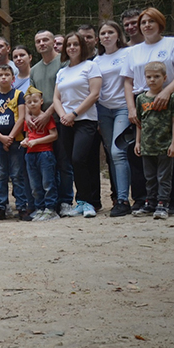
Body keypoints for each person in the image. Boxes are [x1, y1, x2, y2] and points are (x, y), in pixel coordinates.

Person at [121, 7, 174, 215]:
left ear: (160, 23)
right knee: (140, 153)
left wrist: (168, 91)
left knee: (169, 153)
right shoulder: (132, 51)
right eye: (143, 22)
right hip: (142, 101)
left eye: (151, 21)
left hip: (167, 99)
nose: (146, 25)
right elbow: (127, 81)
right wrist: (131, 108)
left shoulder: (173, 43)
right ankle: (146, 200)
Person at [54, 31, 103, 217]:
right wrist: (63, 116)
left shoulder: (90, 67)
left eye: (75, 44)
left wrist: (74, 113)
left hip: (85, 120)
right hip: (66, 122)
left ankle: (89, 202)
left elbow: (94, 94)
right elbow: (56, 98)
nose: (72, 48)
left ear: (82, 47)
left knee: (79, 158)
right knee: (73, 163)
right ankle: (81, 202)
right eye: (69, 45)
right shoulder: (62, 72)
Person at [28, 29, 73, 214]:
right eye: (38, 41)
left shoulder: (64, 63)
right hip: (40, 122)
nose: (42, 43)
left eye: (45, 39)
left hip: (60, 117)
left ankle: (66, 201)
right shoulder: (34, 69)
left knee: (64, 162)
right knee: (46, 164)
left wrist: (48, 113)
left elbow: (64, 93)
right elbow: (32, 96)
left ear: (53, 42)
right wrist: (29, 116)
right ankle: (49, 204)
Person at [132, 62, 174, 220]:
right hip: (147, 146)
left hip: (164, 146)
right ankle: (150, 202)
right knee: (150, 177)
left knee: (164, 177)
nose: (152, 80)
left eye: (156, 76)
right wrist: (138, 142)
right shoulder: (140, 99)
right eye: (149, 77)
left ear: (165, 78)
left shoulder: (171, 97)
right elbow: (140, 123)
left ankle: (163, 204)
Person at [95, 20, 132, 216]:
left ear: (118, 35)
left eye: (110, 32)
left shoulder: (127, 54)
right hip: (103, 110)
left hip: (123, 108)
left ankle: (124, 200)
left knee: (119, 152)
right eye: (103, 33)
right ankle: (118, 197)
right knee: (111, 153)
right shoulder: (96, 61)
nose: (106, 36)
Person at [0, 66, 30, 221]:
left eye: (7, 75)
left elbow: (21, 118)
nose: (4, 78)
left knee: (17, 174)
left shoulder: (18, 95)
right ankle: (1, 207)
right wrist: (1, 137)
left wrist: (10, 137)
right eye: (1, 75)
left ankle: (22, 206)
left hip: (16, 141)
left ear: (13, 78)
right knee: (0, 175)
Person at [20, 87, 59, 221]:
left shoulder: (46, 118)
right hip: (30, 154)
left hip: (45, 153)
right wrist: (26, 141)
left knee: (47, 182)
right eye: (29, 102)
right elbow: (27, 136)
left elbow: (54, 135)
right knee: (35, 184)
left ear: (41, 101)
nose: (32, 104)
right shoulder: (28, 121)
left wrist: (36, 141)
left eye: (35, 101)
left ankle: (51, 208)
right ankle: (40, 208)